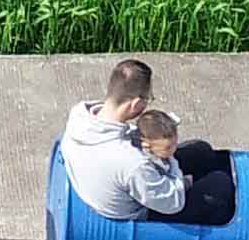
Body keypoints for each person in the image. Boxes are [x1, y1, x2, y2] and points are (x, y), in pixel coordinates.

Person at [57, 60, 170, 218]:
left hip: (104, 185)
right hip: (140, 215)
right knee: (216, 185)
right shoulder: (132, 162)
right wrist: (176, 169)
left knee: (199, 151)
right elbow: (172, 204)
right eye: (148, 99)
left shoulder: (79, 115)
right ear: (136, 103)